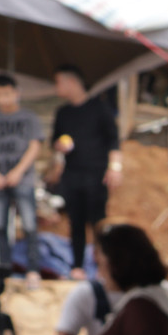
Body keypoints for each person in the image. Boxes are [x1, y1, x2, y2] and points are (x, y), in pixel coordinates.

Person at [45, 64, 122, 278]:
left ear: (72, 82)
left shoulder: (100, 108)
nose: (56, 87)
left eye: (59, 82)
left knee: (98, 222)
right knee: (75, 222)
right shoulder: (63, 113)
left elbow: (113, 140)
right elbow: (55, 141)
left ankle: (102, 266)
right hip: (72, 174)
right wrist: (60, 146)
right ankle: (77, 266)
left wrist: (115, 167)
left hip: (96, 174)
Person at [0, 73, 43, 278]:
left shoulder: (29, 117)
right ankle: (4, 269)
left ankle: (33, 269)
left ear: (16, 93)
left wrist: (18, 172)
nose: (4, 98)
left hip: (23, 179)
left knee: (30, 224)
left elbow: (35, 146)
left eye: (7, 93)